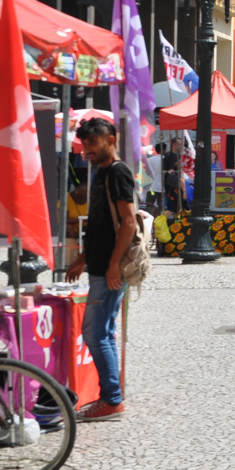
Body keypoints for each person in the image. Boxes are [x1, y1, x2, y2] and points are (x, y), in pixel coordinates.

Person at [66, 117, 135, 421]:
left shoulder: (117, 172)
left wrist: (113, 267)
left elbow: (129, 222)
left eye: (93, 143)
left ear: (111, 139)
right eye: (84, 144)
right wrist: (83, 256)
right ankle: (111, 396)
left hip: (109, 268)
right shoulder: (102, 171)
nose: (87, 150)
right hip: (99, 265)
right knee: (102, 331)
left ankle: (112, 399)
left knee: (95, 333)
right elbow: (99, 222)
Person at [162, 137, 185, 215]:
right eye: (179, 144)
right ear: (174, 145)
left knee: (178, 207)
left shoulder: (179, 156)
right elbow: (165, 170)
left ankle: (176, 225)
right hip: (172, 186)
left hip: (178, 184)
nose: (181, 147)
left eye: (182, 145)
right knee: (172, 208)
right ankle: (158, 223)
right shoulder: (169, 155)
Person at [146, 143, 164, 213]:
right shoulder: (165, 159)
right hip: (161, 188)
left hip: (151, 188)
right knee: (161, 206)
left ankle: (149, 218)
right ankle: (160, 220)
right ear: (164, 150)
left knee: (149, 204)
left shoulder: (149, 160)